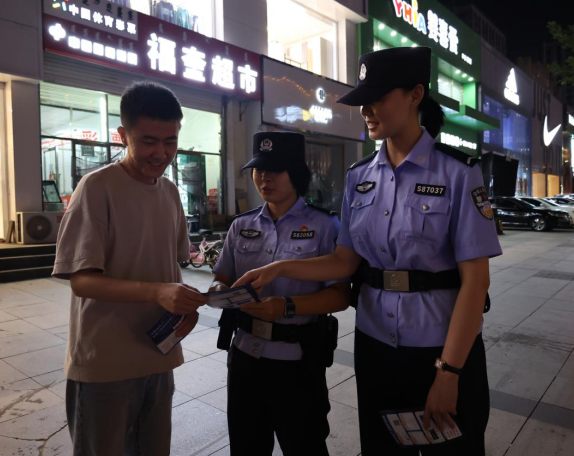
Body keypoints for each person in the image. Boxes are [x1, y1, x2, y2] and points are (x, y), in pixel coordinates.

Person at [234, 47, 502, 455]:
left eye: (377, 98)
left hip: (439, 347)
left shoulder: (458, 173)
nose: (366, 110)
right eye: (363, 101)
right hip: (375, 345)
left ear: (415, 95)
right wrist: (279, 267)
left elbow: (475, 283)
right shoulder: (359, 177)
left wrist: (449, 372)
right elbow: (344, 260)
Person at [53, 81, 207, 455]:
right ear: (123, 135)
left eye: (170, 141)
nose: (161, 153)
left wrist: (183, 306)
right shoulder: (96, 188)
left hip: (158, 352)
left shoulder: (170, 192)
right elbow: (82, 281)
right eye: (149, 141)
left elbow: (169, 268)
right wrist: (157, 292)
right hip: (107, 361)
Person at [210, 131, 350, 456]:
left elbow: (341, 296)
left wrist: (286, 307)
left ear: (296, 173)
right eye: (259, 170)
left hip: (297, 363)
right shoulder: (242, 225)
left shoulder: (325, 226)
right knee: (246, 447)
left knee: (304, 447)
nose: (264, 178)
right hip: (244, 357)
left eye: (274, 170)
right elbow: (221, 278)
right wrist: (220, 293)